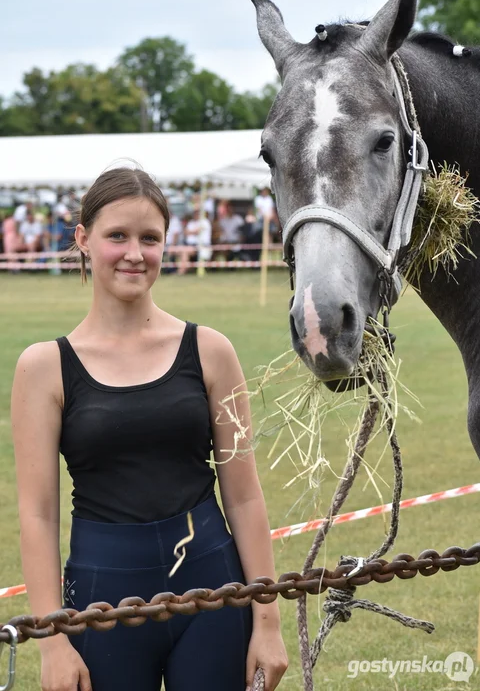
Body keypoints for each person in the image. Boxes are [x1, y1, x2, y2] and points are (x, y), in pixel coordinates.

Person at [11, 167, 287, 691]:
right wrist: (52, 640)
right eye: (117, 235)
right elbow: (38, 515)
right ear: (83, 240)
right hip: (101, 600)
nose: (134, 253)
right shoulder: (43, 367)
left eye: (150, 238)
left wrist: (267, 621)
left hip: (214, 593)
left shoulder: (210, 351)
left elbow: (246, 498)